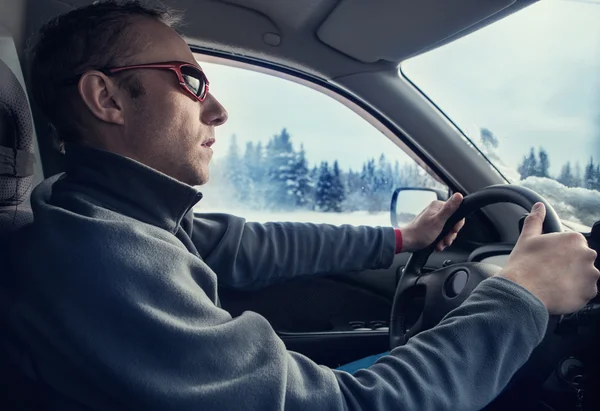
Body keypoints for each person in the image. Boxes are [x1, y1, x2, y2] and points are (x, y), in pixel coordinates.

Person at [5, 1, 599, 410]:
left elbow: (247, 245)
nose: (217, 109)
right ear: (106, 96)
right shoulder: (103, 260)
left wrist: (402, 240)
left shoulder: (106, 213)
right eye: (190, 80)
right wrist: (520, 296)